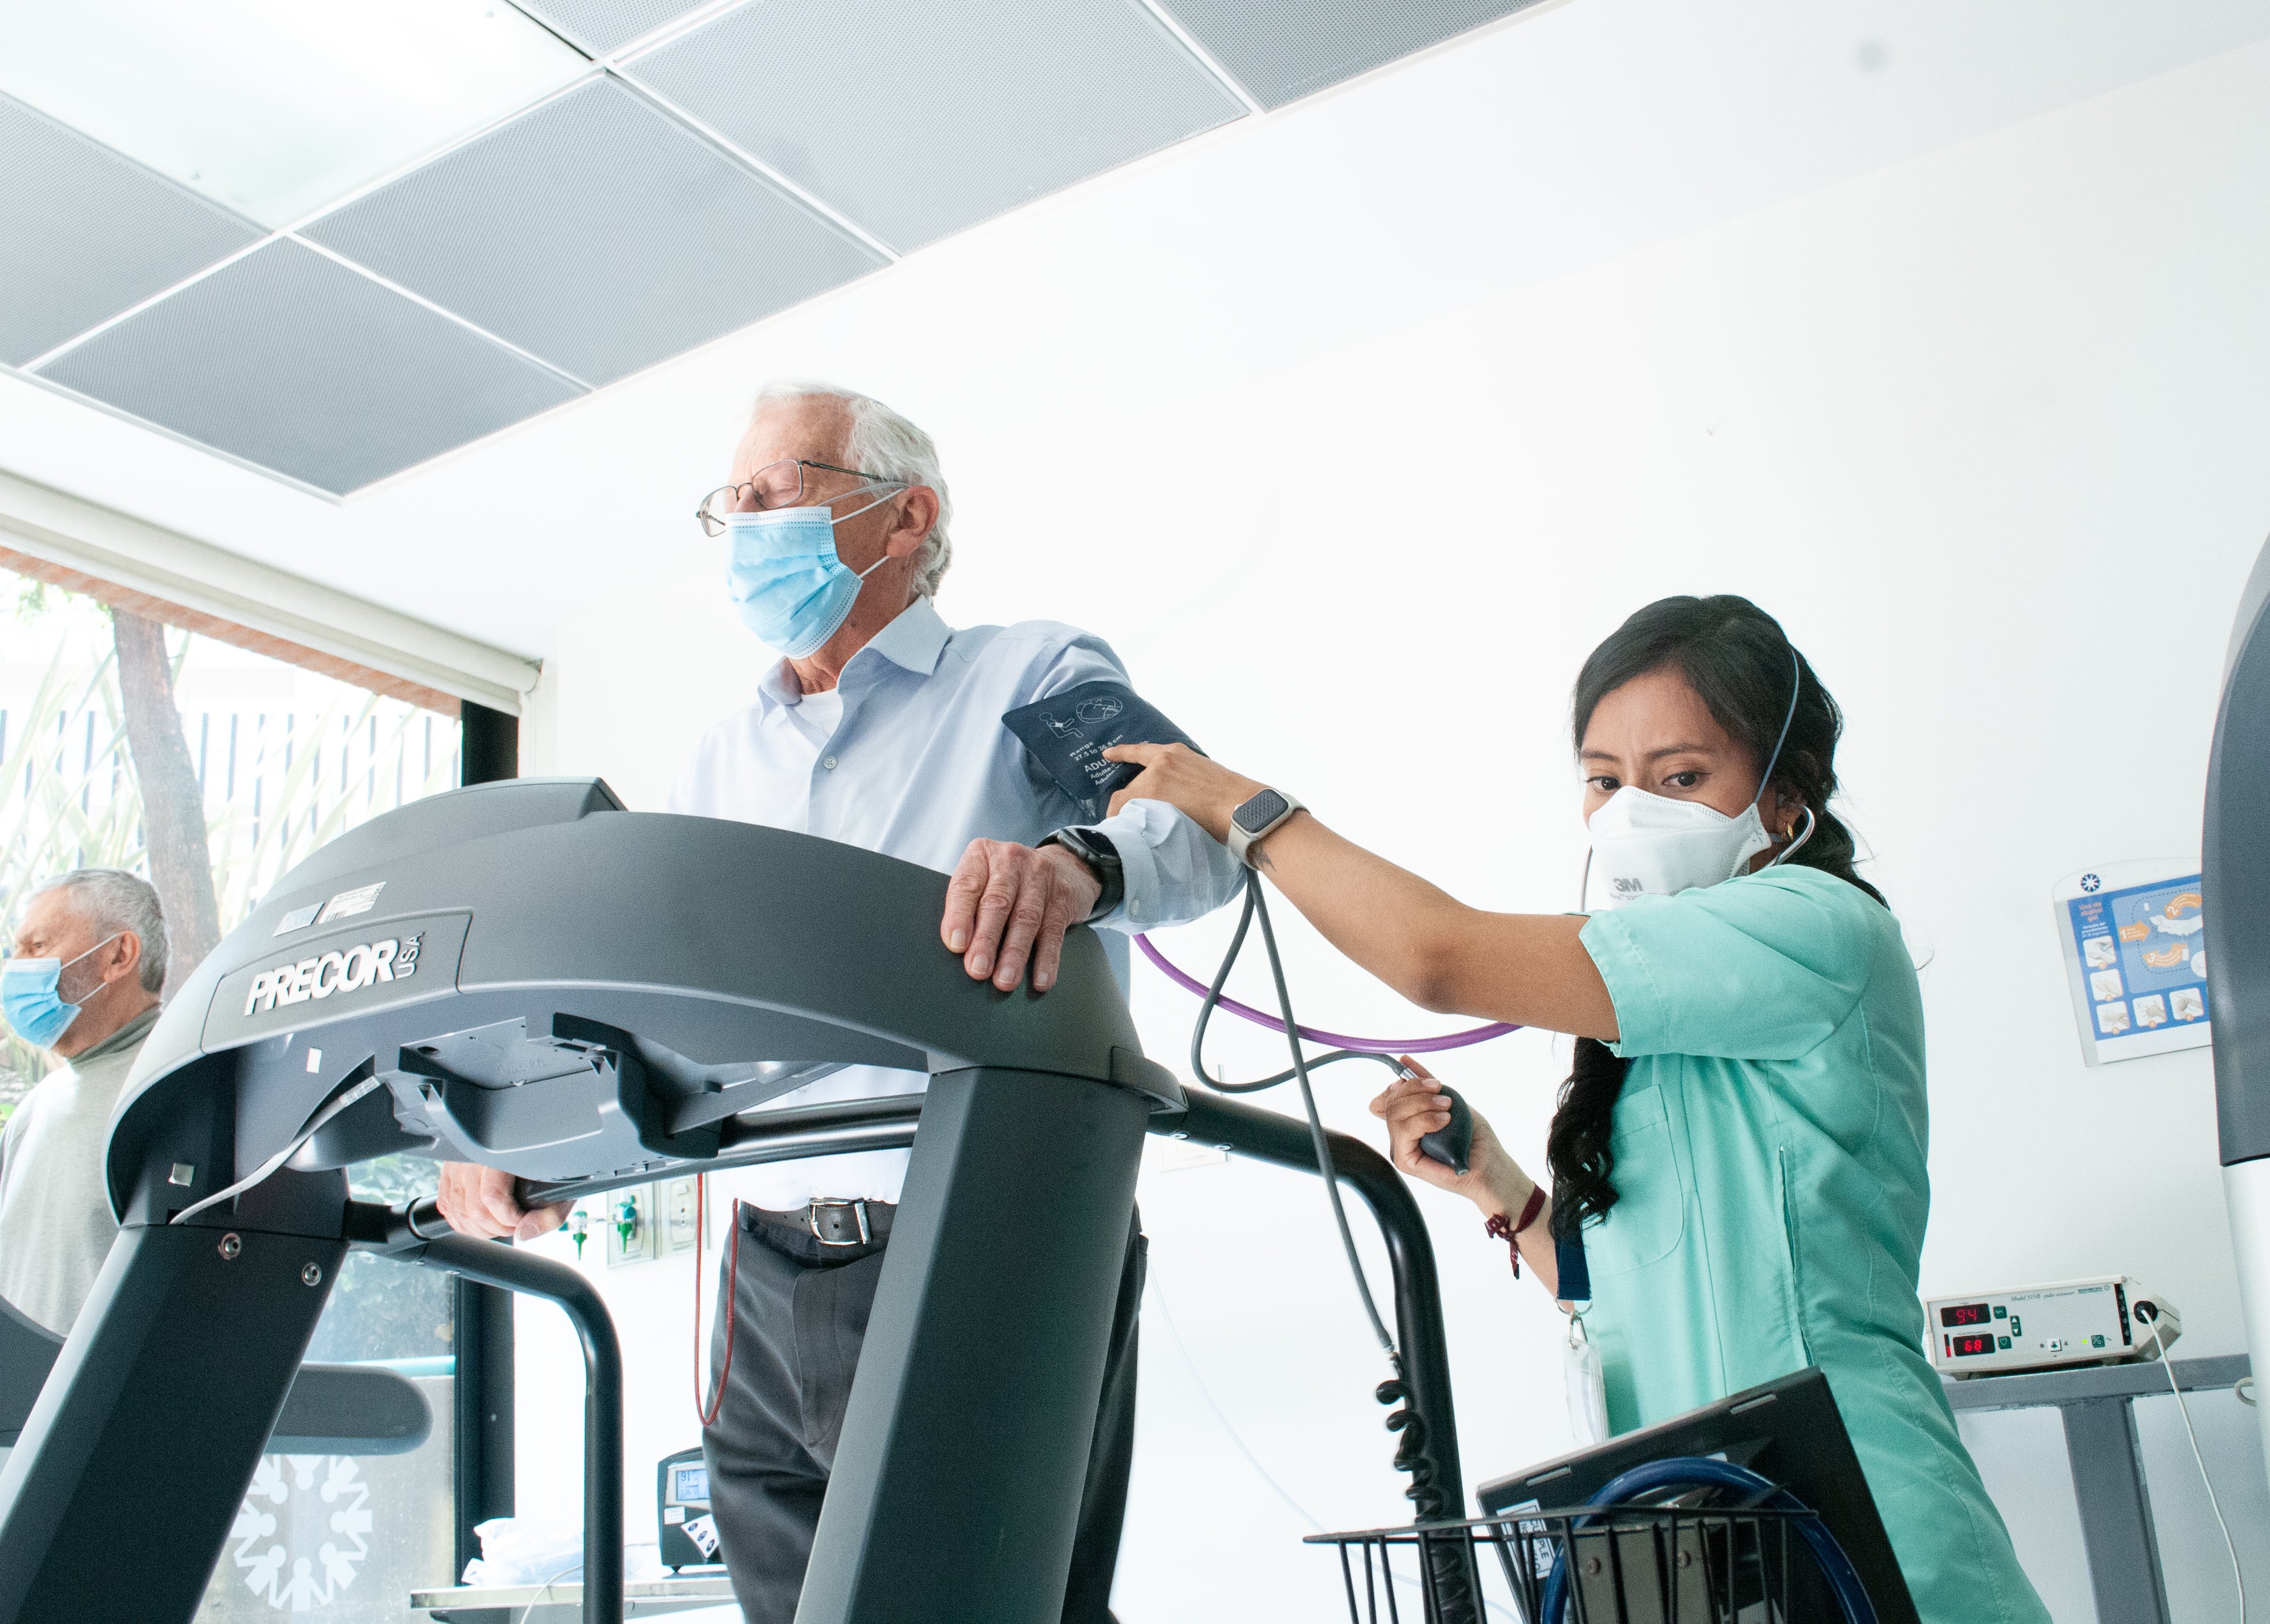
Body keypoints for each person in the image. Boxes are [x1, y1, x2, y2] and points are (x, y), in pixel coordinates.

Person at [435, 382, 1241, 1624]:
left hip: (974, 1226)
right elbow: (661, 1008)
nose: (747, 521)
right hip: (764, 1266)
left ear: (902, 515)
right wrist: (519, 1139)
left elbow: (1197, 826)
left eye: (777, 489)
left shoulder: (1022, 674)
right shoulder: (719, 759)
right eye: (733, 503)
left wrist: (1078, 864)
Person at [1104, 595, 2052, 1623]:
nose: (1631, 812)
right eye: (1603, 781)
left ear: (1785, 794)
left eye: (1680, 777)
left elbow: (1438, 956)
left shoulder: (1812, 928)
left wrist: (1242, 807)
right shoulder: (1666, 1013)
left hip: (1854, 1524)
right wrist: (1501, 1190)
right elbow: (1640, 1294)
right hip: (1694, 1535)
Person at [0, 869, 171, 1335]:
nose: (15, 966)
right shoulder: (37, 1108)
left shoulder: (178, 1089)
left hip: (108, 1405)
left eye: (36, 947)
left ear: (118, 955)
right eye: (15, 950)